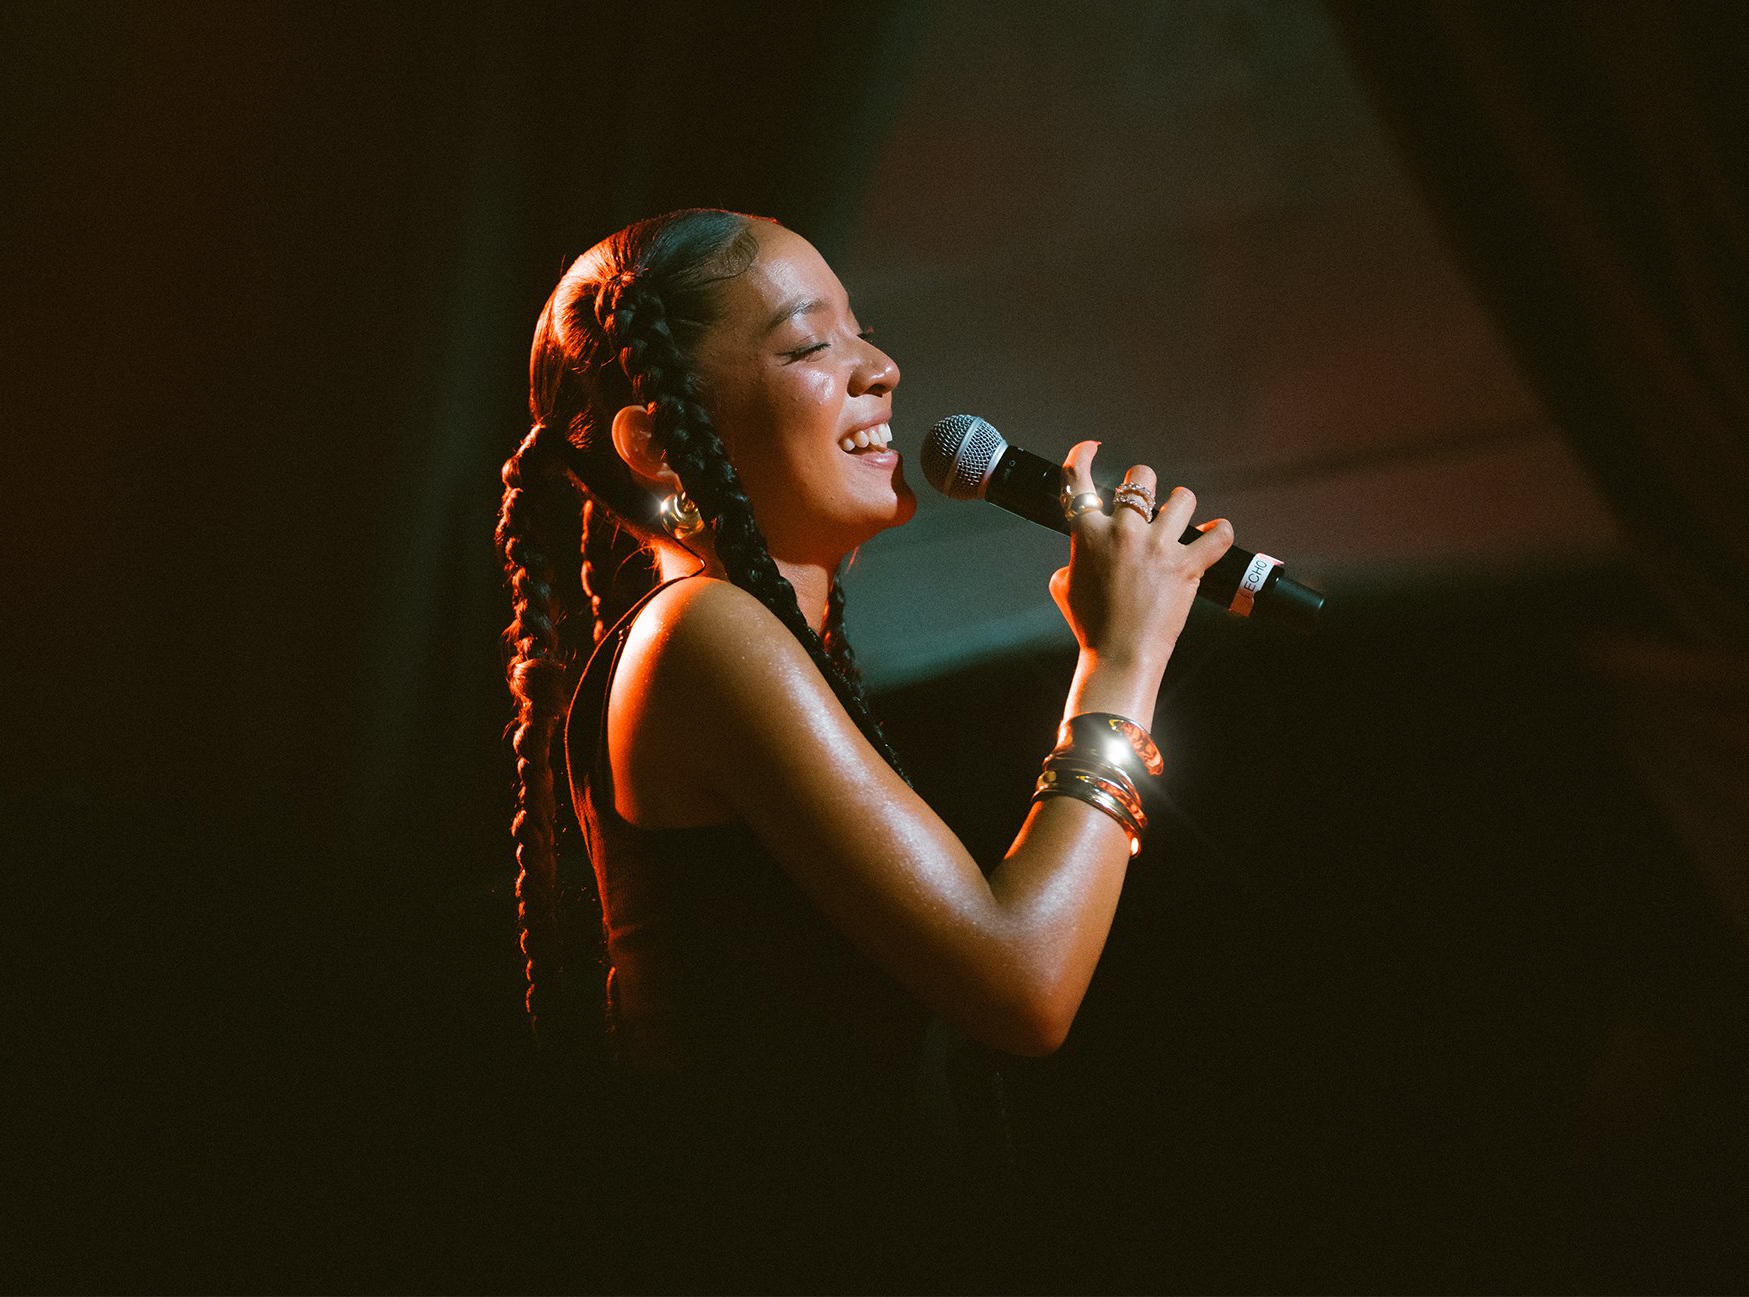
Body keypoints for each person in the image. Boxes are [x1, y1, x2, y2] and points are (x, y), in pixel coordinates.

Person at [494, 208, 1233, 1289]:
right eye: (809, 345)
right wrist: (1122, 663)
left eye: (864, 333)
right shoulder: (699, 633)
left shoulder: (748, 643)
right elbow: (1023, 981)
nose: (881, 370)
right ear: (654, 440)